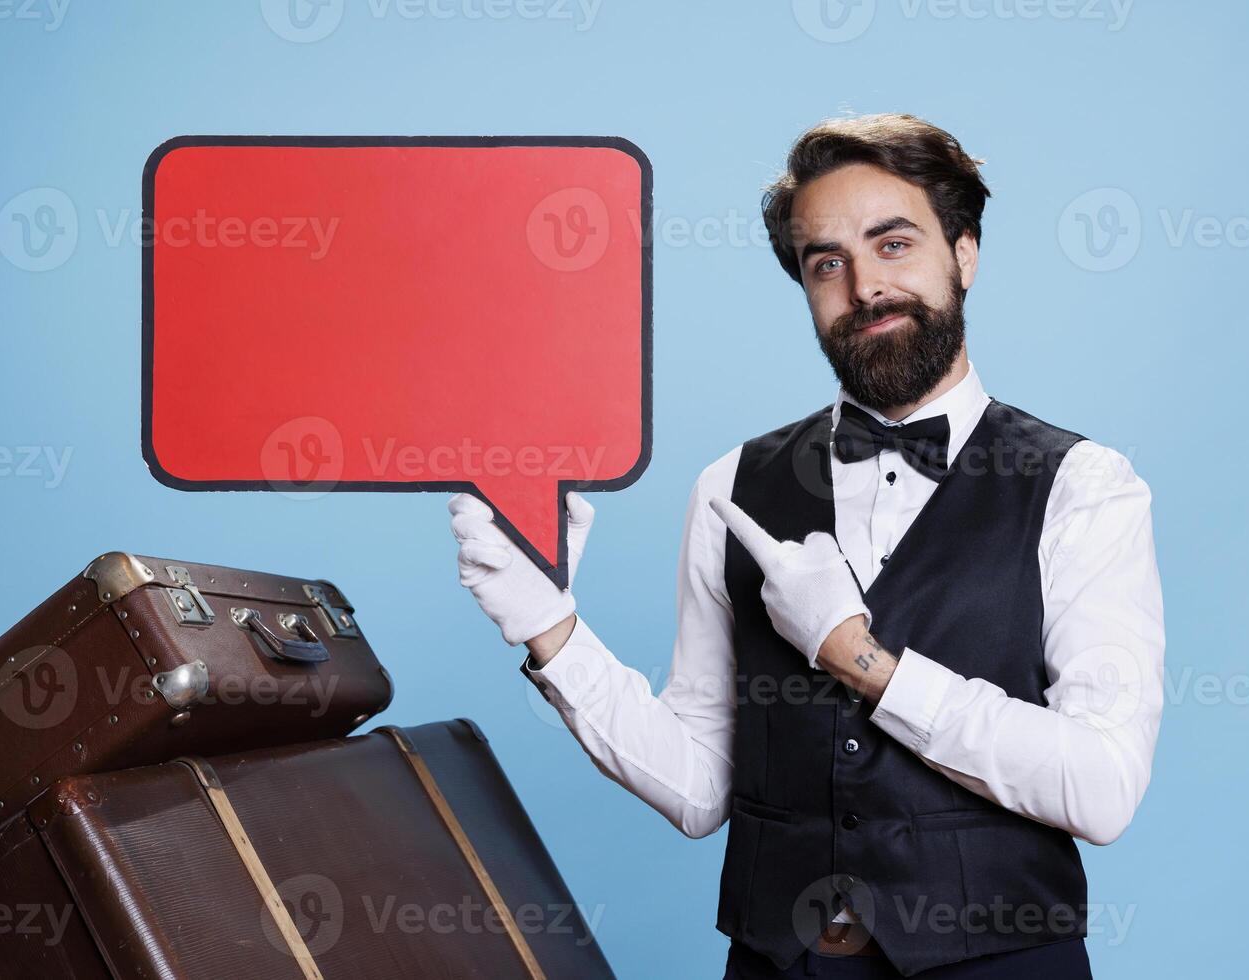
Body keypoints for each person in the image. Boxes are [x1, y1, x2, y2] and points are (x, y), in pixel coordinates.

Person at [449, 113, 1164, 979]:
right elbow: (700, 784)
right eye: (827, 262)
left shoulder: (1085, 486)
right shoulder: (730, 487)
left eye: (893, 244)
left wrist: (866, 663)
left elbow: (1102, 784)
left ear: (964, 254)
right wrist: (554, 632)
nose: (863, 287)